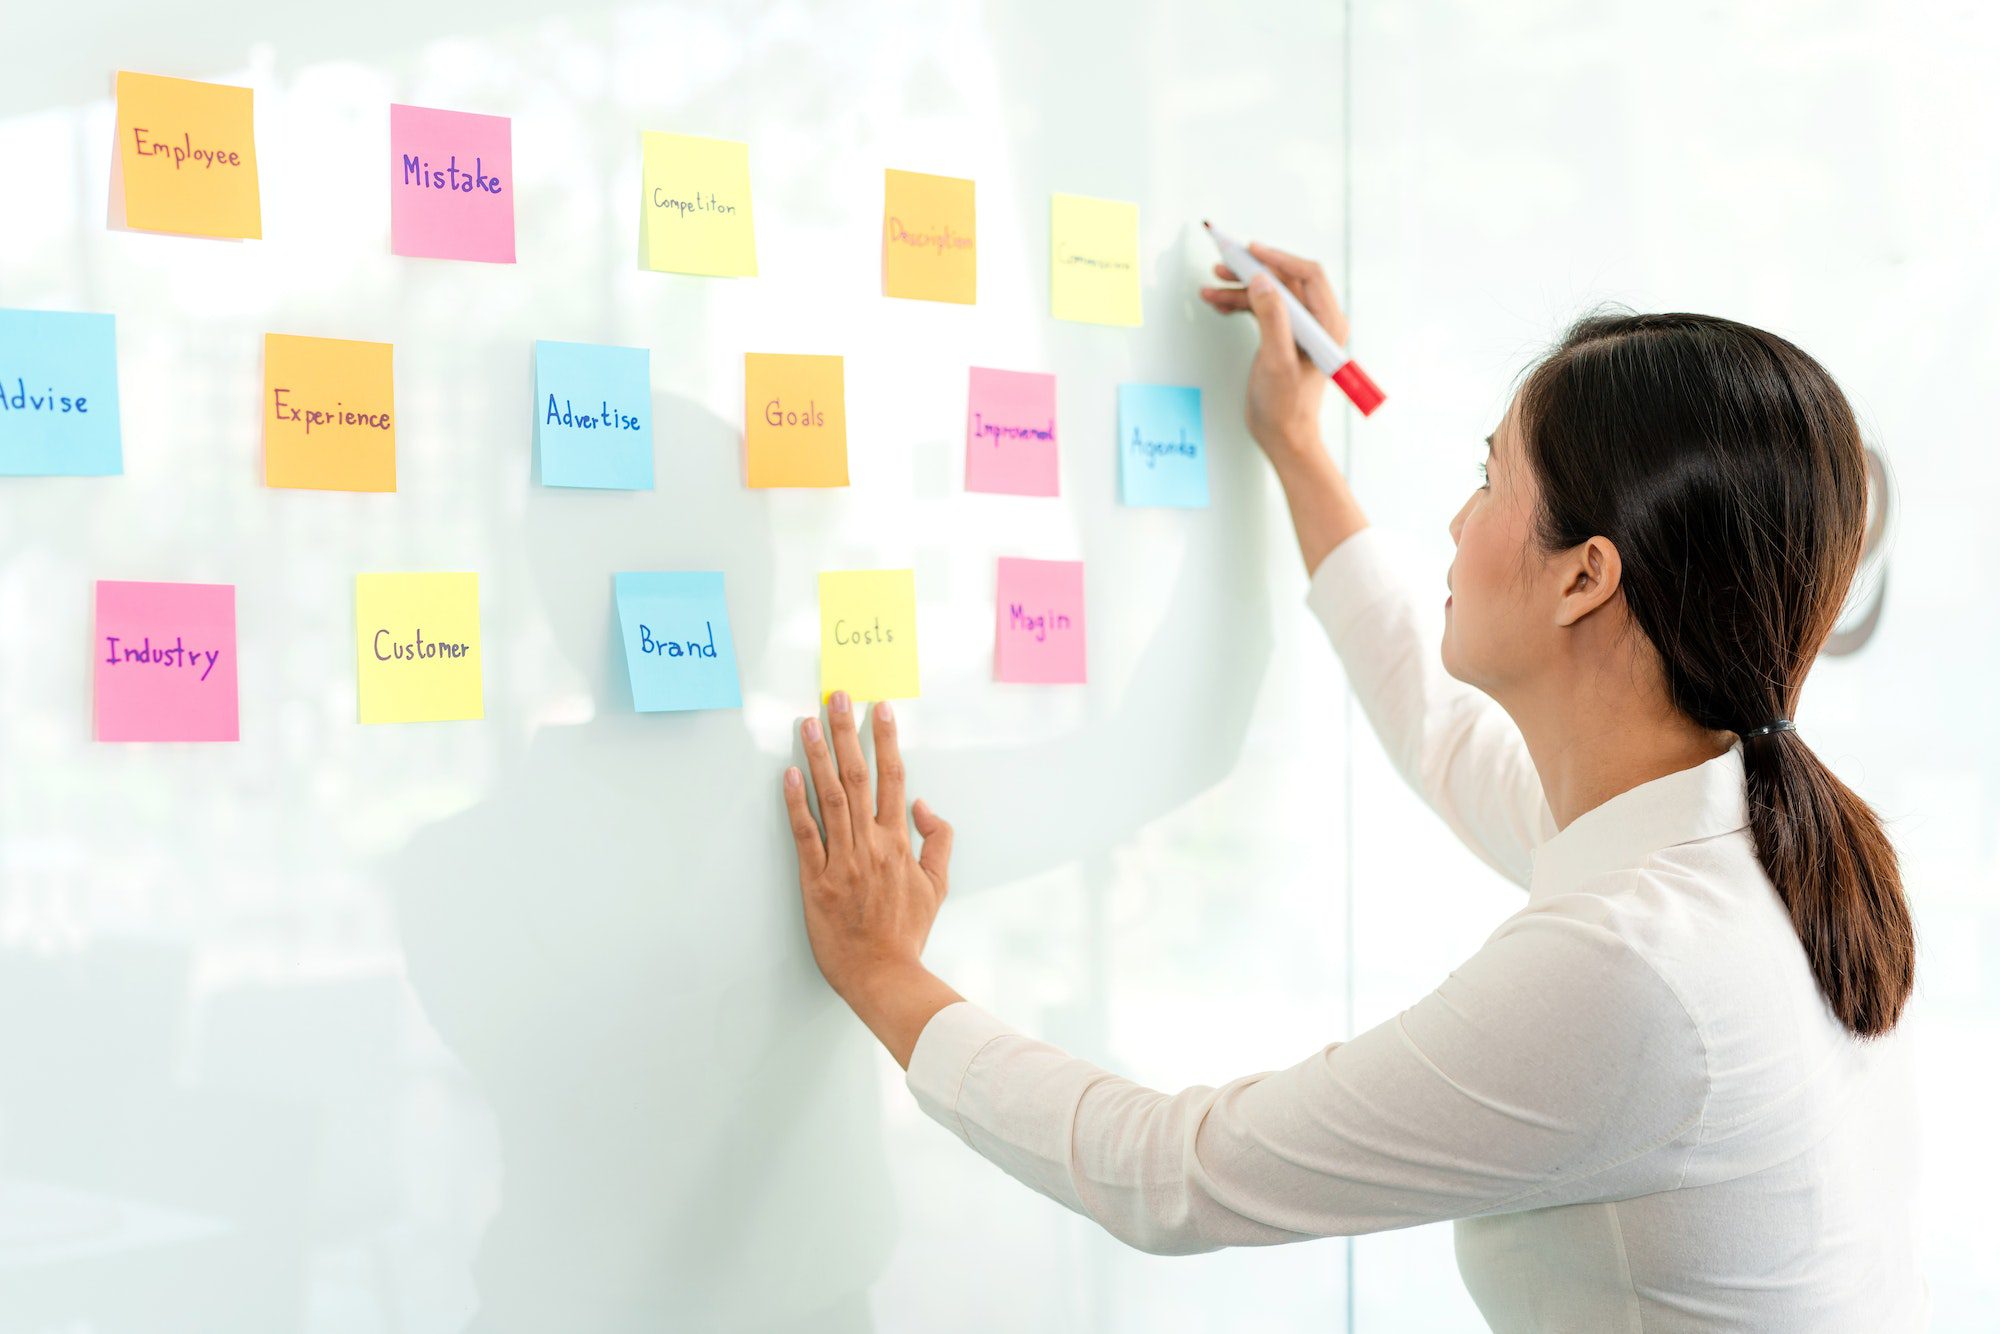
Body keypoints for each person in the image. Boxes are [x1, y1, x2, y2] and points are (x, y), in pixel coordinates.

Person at [777, 246, 1927, 1331]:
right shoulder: (1735, 832)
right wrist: (1294, 446)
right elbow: (1435, 730)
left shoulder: (1635, 968)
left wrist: (882, 972)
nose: (1455, 516)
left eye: (1487, 479)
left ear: (1584, 575)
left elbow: (1177, 1172)